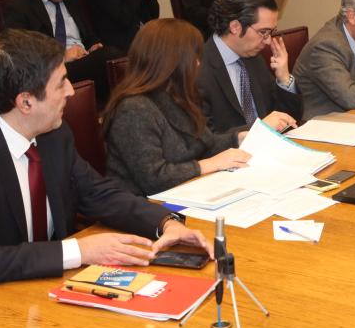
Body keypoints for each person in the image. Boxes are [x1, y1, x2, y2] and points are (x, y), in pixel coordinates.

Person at [0, 28, 211, 311]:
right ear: (25, 102)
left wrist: (165, 223)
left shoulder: (53, 134)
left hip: (30, 291)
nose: (71, 91)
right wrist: (79, 250)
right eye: (61, 83)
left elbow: (97, 192)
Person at [104, 19, 253, 196]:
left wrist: (238, 138)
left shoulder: (177, 94)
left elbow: (205, 144)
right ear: (170, 61)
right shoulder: (133, 109)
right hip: (143, 204)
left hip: (186, 192)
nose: (197, 64)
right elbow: (154, 179)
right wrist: (209, 165)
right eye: (193, 57)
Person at [0, 0, 123, 103]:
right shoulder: (20, 8)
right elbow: (21, 55)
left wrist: (94, 45)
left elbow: (88, 34)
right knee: (111, 57)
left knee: (117, 56)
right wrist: (62, 56)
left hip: (84, 59)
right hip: (54, 69)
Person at [199, 0, 302, 135]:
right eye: (263, 32)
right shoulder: (198, 70)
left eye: (271, 32)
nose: (268, 41)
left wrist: (284, 79)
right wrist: (259, 128)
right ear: (235, 27)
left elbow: (290, 120)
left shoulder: (254, 59)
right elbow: (204, 140)